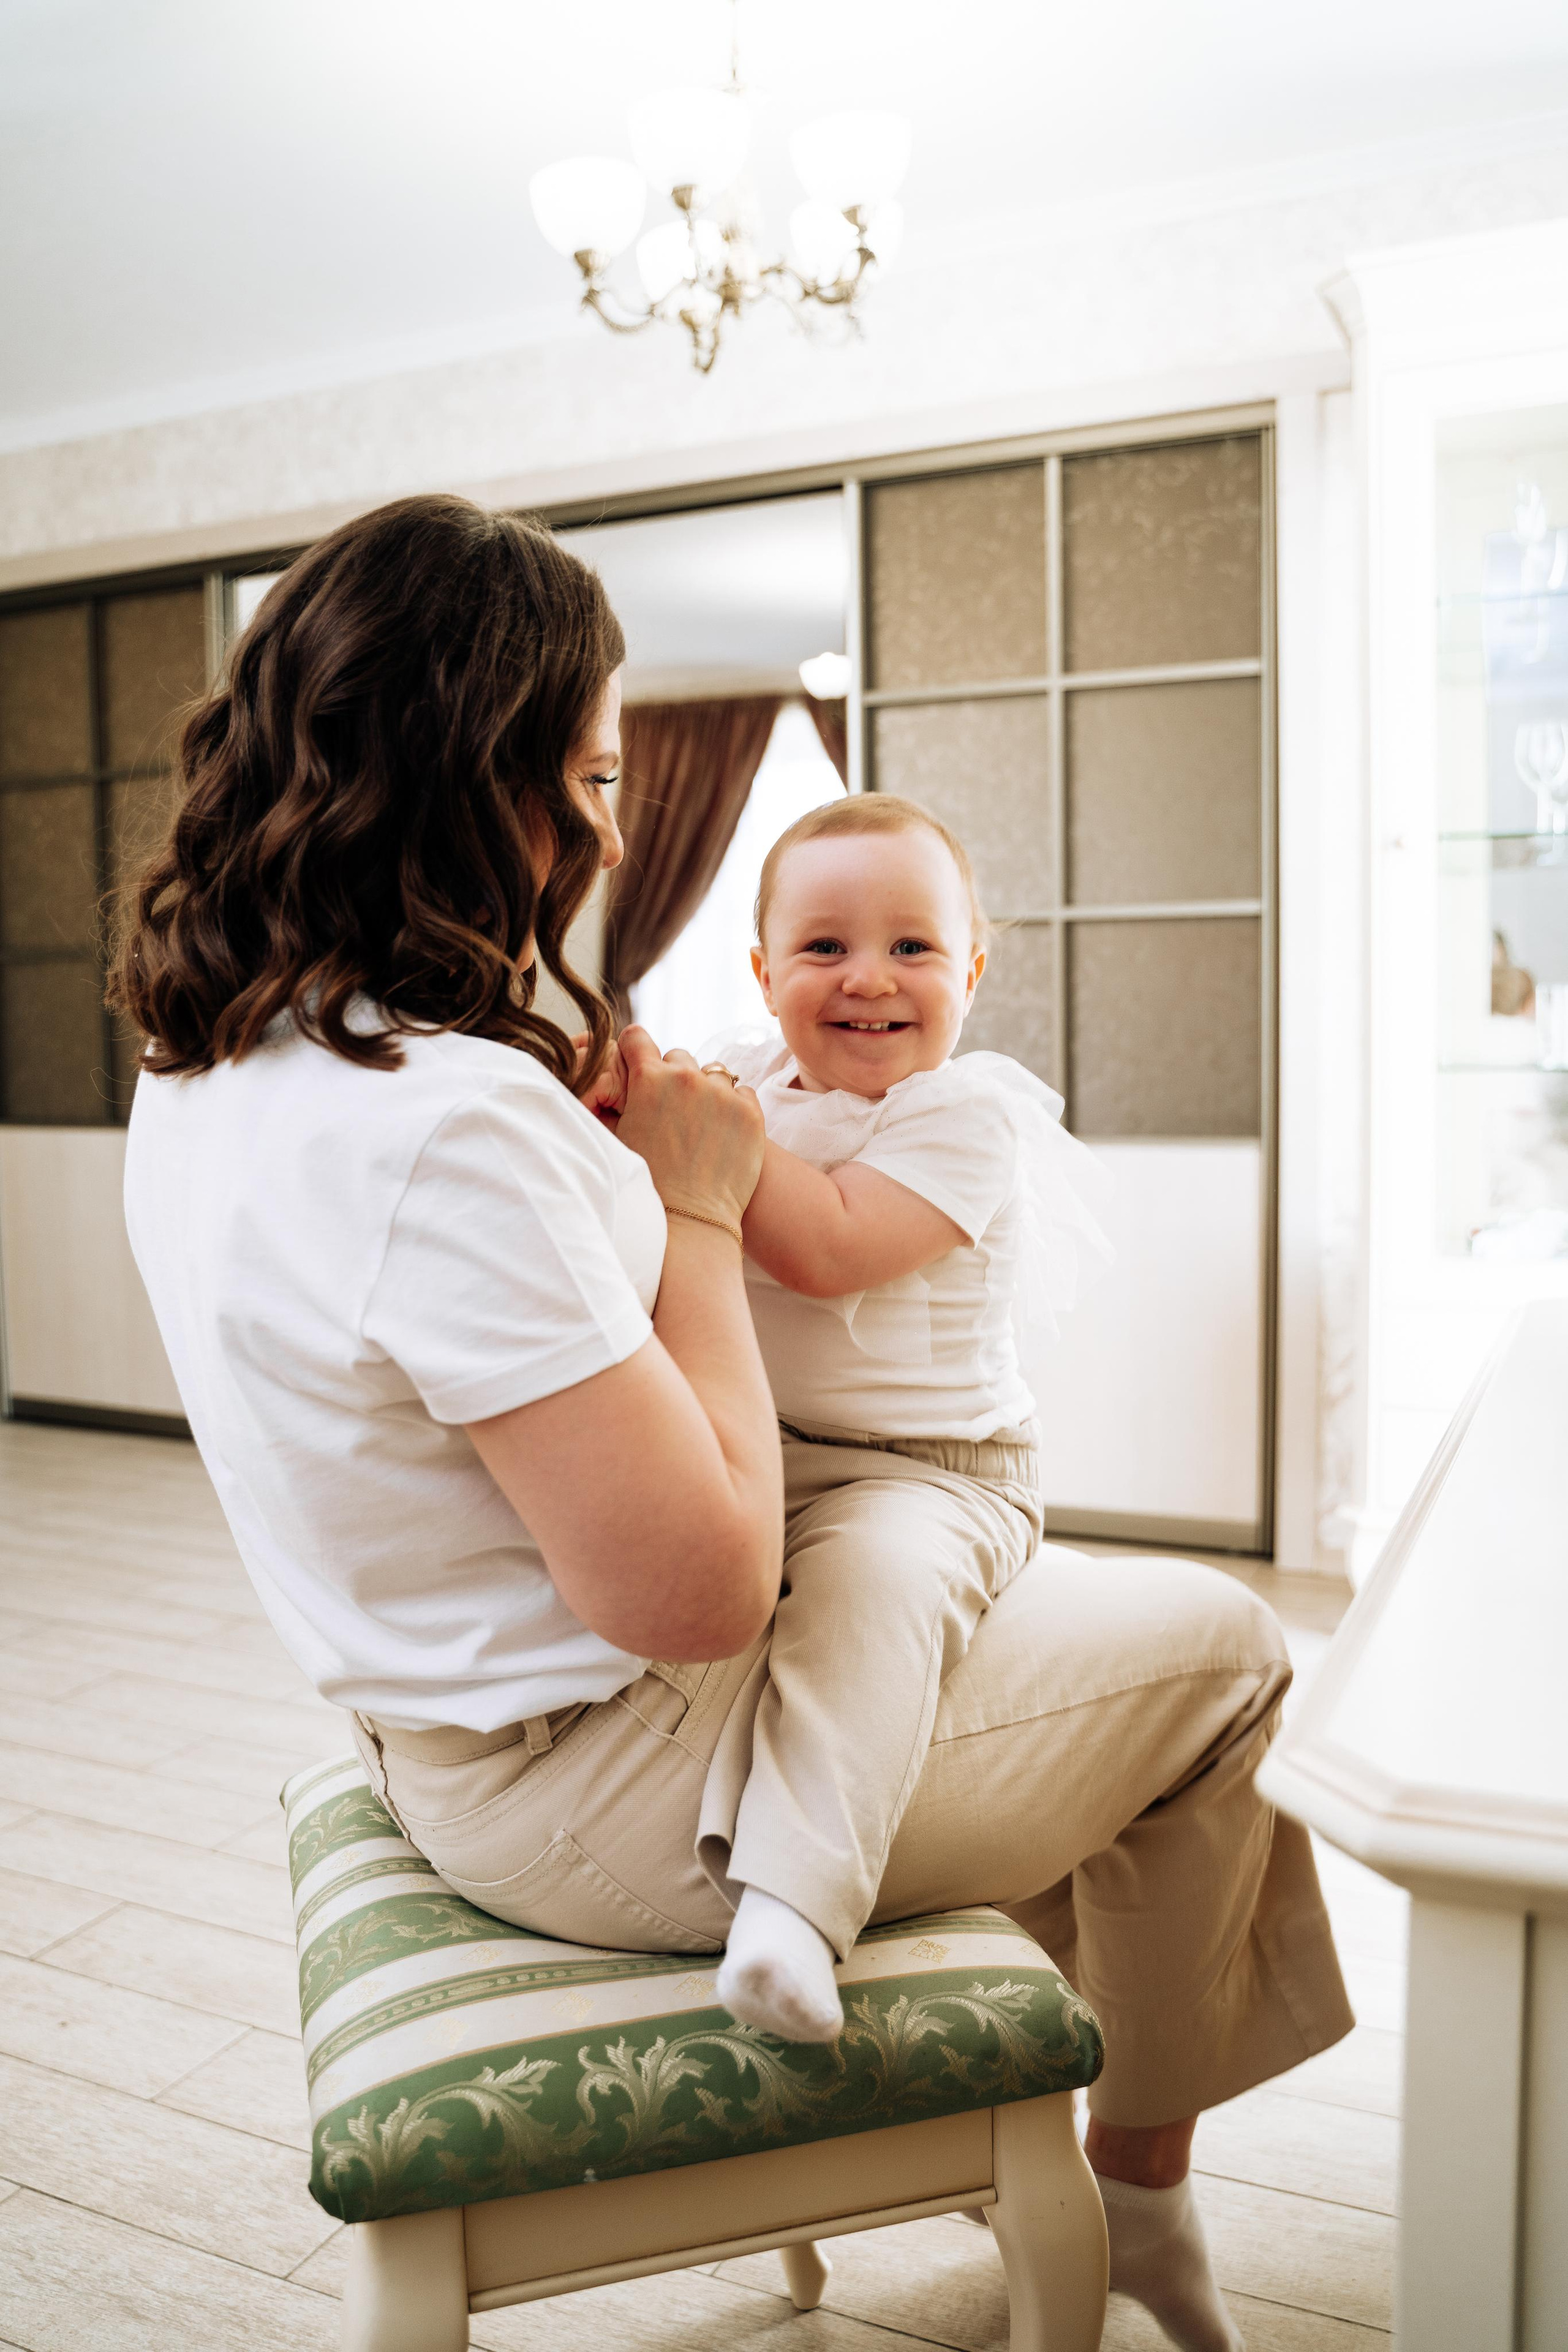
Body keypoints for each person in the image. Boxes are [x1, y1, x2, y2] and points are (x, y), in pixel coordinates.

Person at [116, 494, 1352, 2352]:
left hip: (438, 1717)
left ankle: (1026, 2101)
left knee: (1017, 1634)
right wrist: (695, 1205)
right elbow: (697, 1591)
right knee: (1237, 1661)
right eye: (597, 773)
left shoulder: (216, 1057)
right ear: (482, 776)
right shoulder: (445, 1119)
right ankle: (1137, 2183)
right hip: (619, 1781)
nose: (614, 824)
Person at [587, 793, 1110, 2053]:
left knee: (865, 1594)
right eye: (822, 948)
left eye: (912, 948)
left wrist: (702, 1137)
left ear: (971, 971)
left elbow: (827, 1247)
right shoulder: (741, 1079)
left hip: (927, 1476)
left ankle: (790, 1912)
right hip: (764, 1448)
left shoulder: (964, 1115)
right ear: (761, 973)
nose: (867, 979)